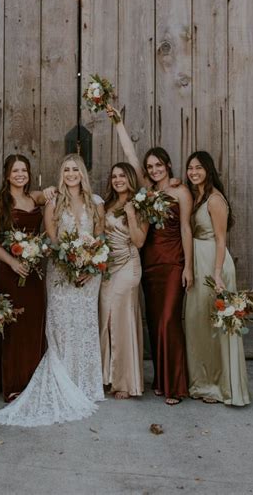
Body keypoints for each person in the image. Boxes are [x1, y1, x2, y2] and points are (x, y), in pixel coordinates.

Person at [0, 154, 105, 426]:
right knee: (61, 324)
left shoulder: (96, 203)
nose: (71, 173)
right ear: (61, 173)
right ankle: (62, 378)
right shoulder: (52, 202)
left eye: (76, 169)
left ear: (83, 173)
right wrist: (70, 265)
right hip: (60, 272)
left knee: (85, 323)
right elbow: (53, 239)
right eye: (66, 169)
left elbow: (100, 239)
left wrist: (88, 268)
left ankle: (85, 381)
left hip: (89, 275)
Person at [106, 107, 193, 405]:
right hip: (148, 262)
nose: (154, 170)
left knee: (169, 319)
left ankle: (176, 387)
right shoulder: (146, 193)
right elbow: (131, 157)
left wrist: (188, 267)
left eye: (159, 165)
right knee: (156, 322)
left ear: (168, 165)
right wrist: (118, 123)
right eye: (150, 166)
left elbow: (185, 229)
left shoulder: (181, 192)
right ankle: (161, 380)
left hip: (172, 263)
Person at [185, 151, 250, 406]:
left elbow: (221, 239)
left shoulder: (214, 200)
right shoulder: (196, 196)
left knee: (216, 327)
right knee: (197, 323)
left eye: (198, 168)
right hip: (198, 261)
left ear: (208, 170)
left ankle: (220, 386)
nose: (193, 172)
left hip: (213, 262)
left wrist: (217, 273)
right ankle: (203, 382)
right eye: (190, 168)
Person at [0, 154, 46, 402]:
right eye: (15, 171)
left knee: (33, 324)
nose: (20, 174)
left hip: (33, 273)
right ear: (7, 175)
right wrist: (12, 262)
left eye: (24, 170)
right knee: (14, 326)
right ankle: (12, 383)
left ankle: (33, 380)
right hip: (9, 272)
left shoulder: (34, 198)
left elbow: (54, 193)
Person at [100, 162, 145, 399]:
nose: (118, 180)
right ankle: (106, 376)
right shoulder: (108, 204)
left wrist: (131, 215)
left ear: (130, 178)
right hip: (108, 267)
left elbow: (139, 241)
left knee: (121, 319)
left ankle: (125, 382)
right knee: (105, 317)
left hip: (128, 264)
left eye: (122, 176)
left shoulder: (139, 205)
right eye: (114, 175)